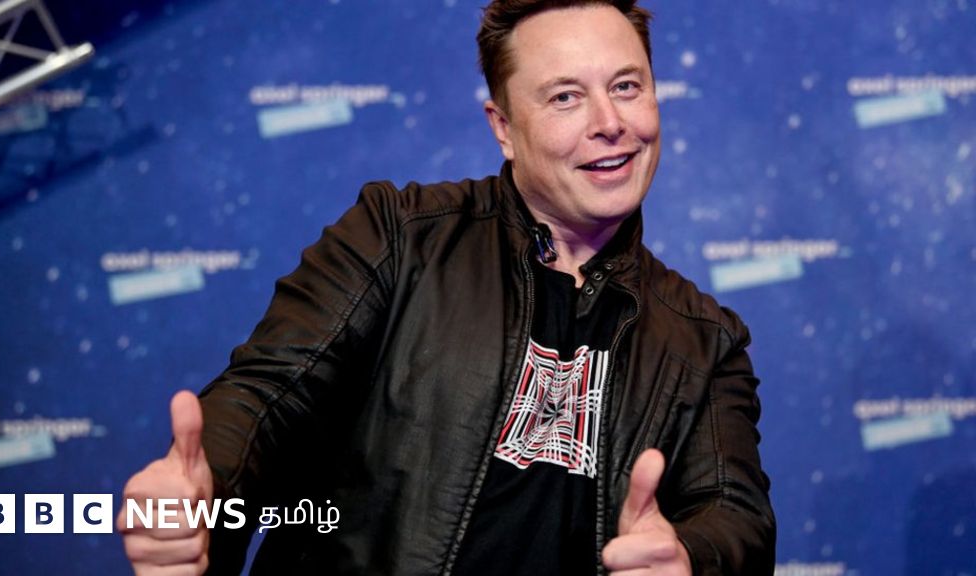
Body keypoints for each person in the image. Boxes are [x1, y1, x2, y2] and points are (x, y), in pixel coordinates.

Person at [117, 1, 777, 574]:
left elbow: (734, 514)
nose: (610, 121)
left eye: (627, 86)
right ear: (503, 127)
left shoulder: (705, 339)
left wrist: (690, 557)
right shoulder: (397, 238)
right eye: (565, 97)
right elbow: (268, 399)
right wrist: (203, 494)